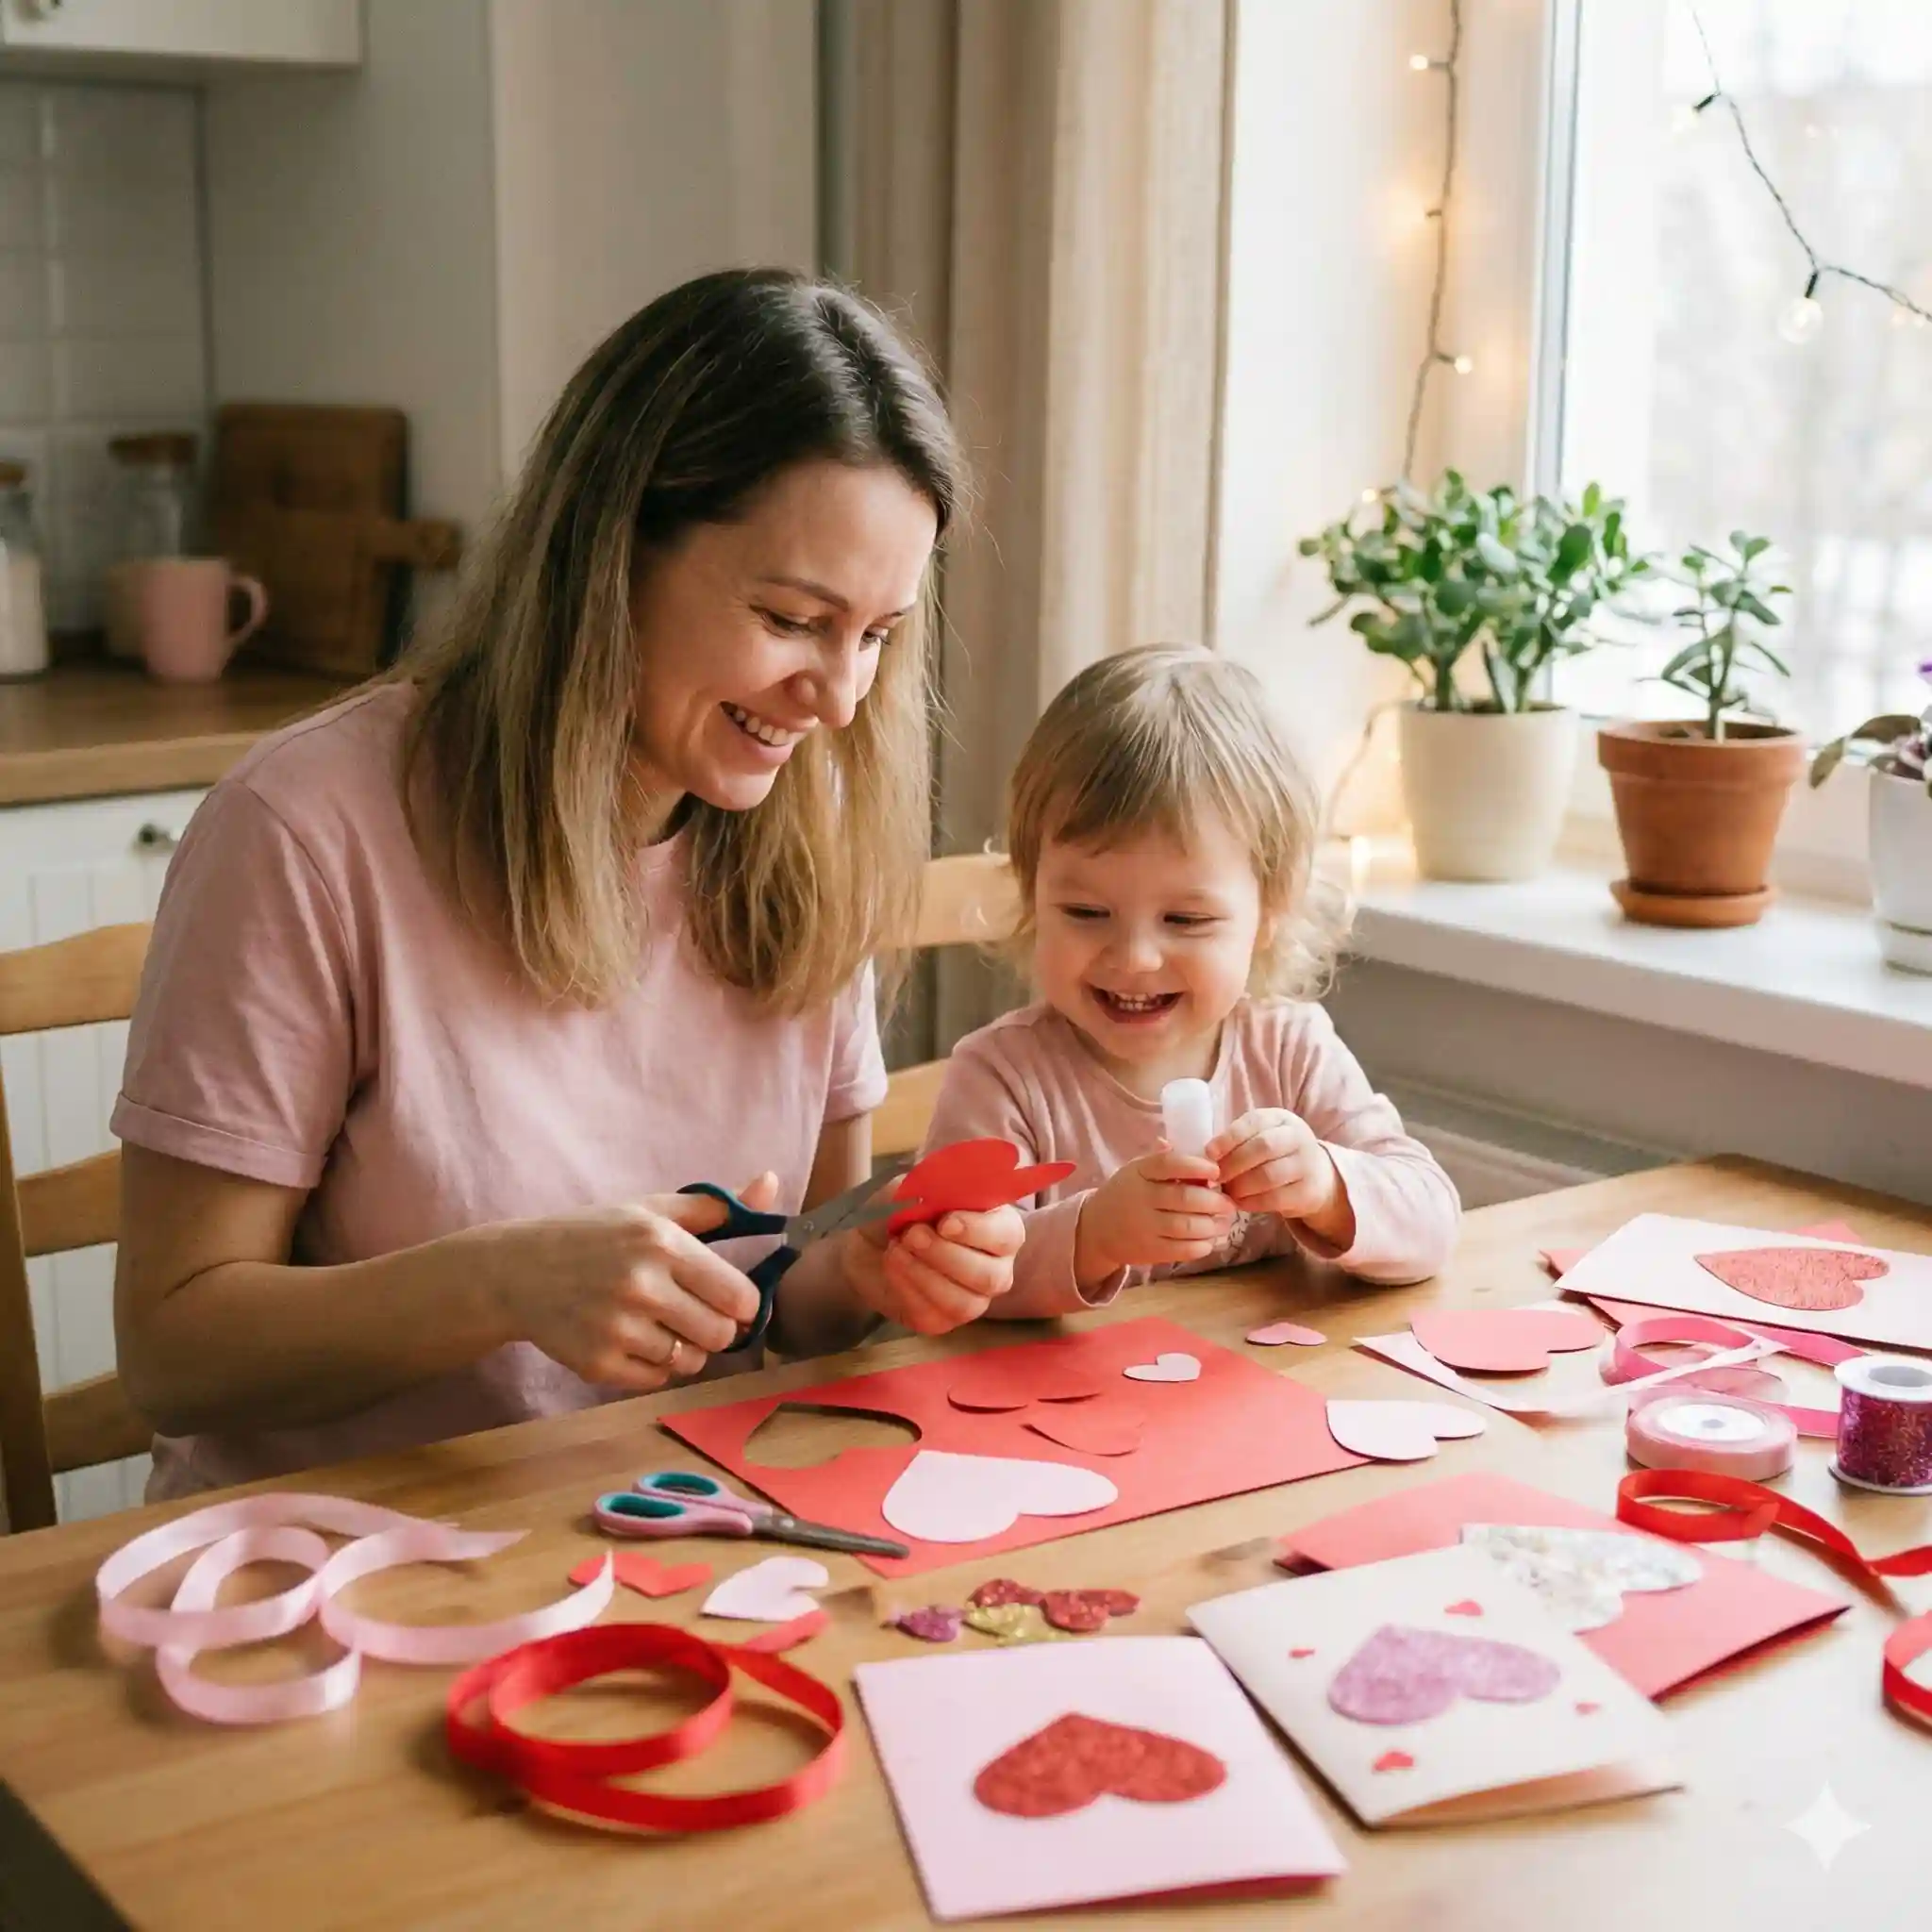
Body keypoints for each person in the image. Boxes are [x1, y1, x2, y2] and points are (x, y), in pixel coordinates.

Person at [111, 268, 1022, 1500]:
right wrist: (503, 1286)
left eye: (876, 635)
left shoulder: (810, 821)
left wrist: (868, 1267)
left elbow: (795, 1293)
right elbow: (175, 1354)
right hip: (344, 1556)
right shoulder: (306, 830)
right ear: (609, 555)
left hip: (672, 1522)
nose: (840, 698)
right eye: (790, 618)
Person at [921, 643, 1460, 1316]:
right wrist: (1095, 1236)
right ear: (1032, 895)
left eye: (1186, 919)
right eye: (1086, 912)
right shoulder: (1003, 1078)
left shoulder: (1290, 1051)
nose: (1135, 958)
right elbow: (951, 1278)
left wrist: (1326, 1187)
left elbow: (1432, 1222)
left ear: (1270, 911)